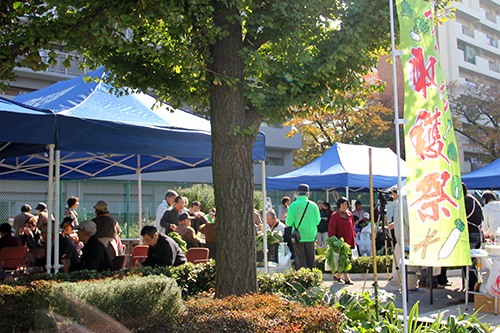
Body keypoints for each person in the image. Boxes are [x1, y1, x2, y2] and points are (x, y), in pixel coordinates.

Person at [389, 193, 420, 291]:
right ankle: (410, 285)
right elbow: (410, 222)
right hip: (407, 238)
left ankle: (397, 280)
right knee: (409, 264)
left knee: (400, 261)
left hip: (400, 237)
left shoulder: (399, 203)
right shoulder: (405, 203)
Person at [285, 184, 320, 270]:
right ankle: (313, 278)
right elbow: (317, 221)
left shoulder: (293, 205)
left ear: (297, 194)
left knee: (300, 259)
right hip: (311, 236)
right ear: (308, 194)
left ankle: (302, 278)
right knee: (311, 259)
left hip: (298, 236)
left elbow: (288, 222)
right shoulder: (313, 205)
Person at [328, 197, 356, 284]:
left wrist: (354, 237)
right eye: (343, 204)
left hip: (349, 241)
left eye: (346, 204)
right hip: (340, 242)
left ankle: (338, 276)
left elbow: (352, 227)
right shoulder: (335, 215)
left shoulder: (350, 214)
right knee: (343, 260)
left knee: (347, 259)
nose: (345, 206)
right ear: (339, 205)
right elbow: (332, 229)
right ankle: (346, 278)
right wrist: (334, 241)